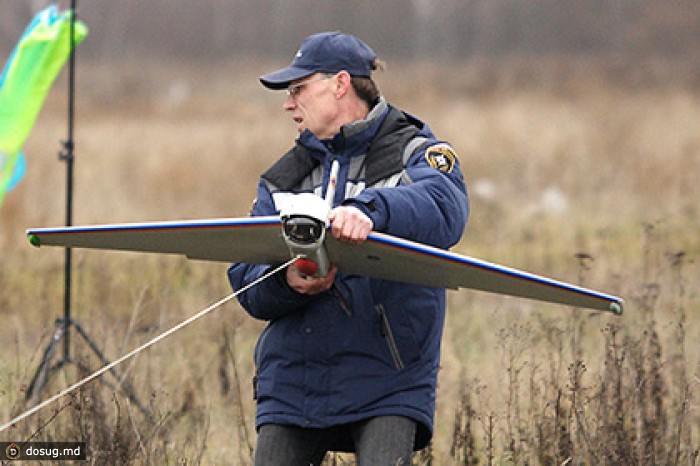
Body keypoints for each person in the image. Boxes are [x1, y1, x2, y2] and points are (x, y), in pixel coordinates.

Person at [228, 31, 469, 465]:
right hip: (293, 383)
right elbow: (246, 281)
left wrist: (371, 211)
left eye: (298, 89)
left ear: (340, 84)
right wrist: (288, 281)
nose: (288, 103)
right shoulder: (282, 177)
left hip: (388, 380)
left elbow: (446, 208)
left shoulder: (416, 150)